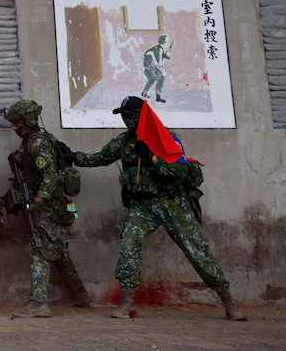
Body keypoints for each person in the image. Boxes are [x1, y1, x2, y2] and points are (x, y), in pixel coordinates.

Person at [73, 96, 246, 321]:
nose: (127, 120)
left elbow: (180, 172)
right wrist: (72, 156)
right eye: (124, 116)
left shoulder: (166, 137)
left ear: (142, 115)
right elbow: (99, 158)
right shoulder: (124, 141)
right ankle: (128, 305)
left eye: (131, 115)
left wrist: (152, 158)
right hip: (142, 205)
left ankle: (229, 303)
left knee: (197, 252)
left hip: (172, 203)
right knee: (128, 246)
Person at [3, 100, 90, 318]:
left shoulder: (38, 144)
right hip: (54, 205)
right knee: (56, 249)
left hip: (49, 207)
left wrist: (39, 200)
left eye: (17, 123)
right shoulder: (35, 140)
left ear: (28, 121)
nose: (15, 127)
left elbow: (50, 175)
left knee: (37, 247)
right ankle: (79, 293)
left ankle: (38, 303)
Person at [141, 35, 173, 103]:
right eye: (168, 41)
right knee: (161, 78)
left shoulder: (158, 48)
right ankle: (158, 97)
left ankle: (144, 93)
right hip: (150, 67)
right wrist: (162, 71)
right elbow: (158, 63)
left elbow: (162, 57)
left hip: (148, 67)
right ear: (164, 42)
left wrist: (168, 53)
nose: (169, 43)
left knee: (151, 80)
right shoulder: (158, 50)